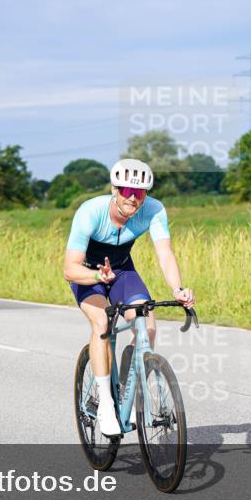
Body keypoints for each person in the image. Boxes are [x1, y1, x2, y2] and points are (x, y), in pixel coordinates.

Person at [63, 159, 194, 437]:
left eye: (140, 193)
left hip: (122, 271)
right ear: (114, 189)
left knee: (147, 324)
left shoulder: (154, 209)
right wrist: (98, 277)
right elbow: (69, 269)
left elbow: (165, 254)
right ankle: (107, 405)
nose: (133, 199)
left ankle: (126, 390)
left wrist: (178, 289)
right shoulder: (91, 212)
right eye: (126, 191)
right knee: (101, 322)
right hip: (89, 274)